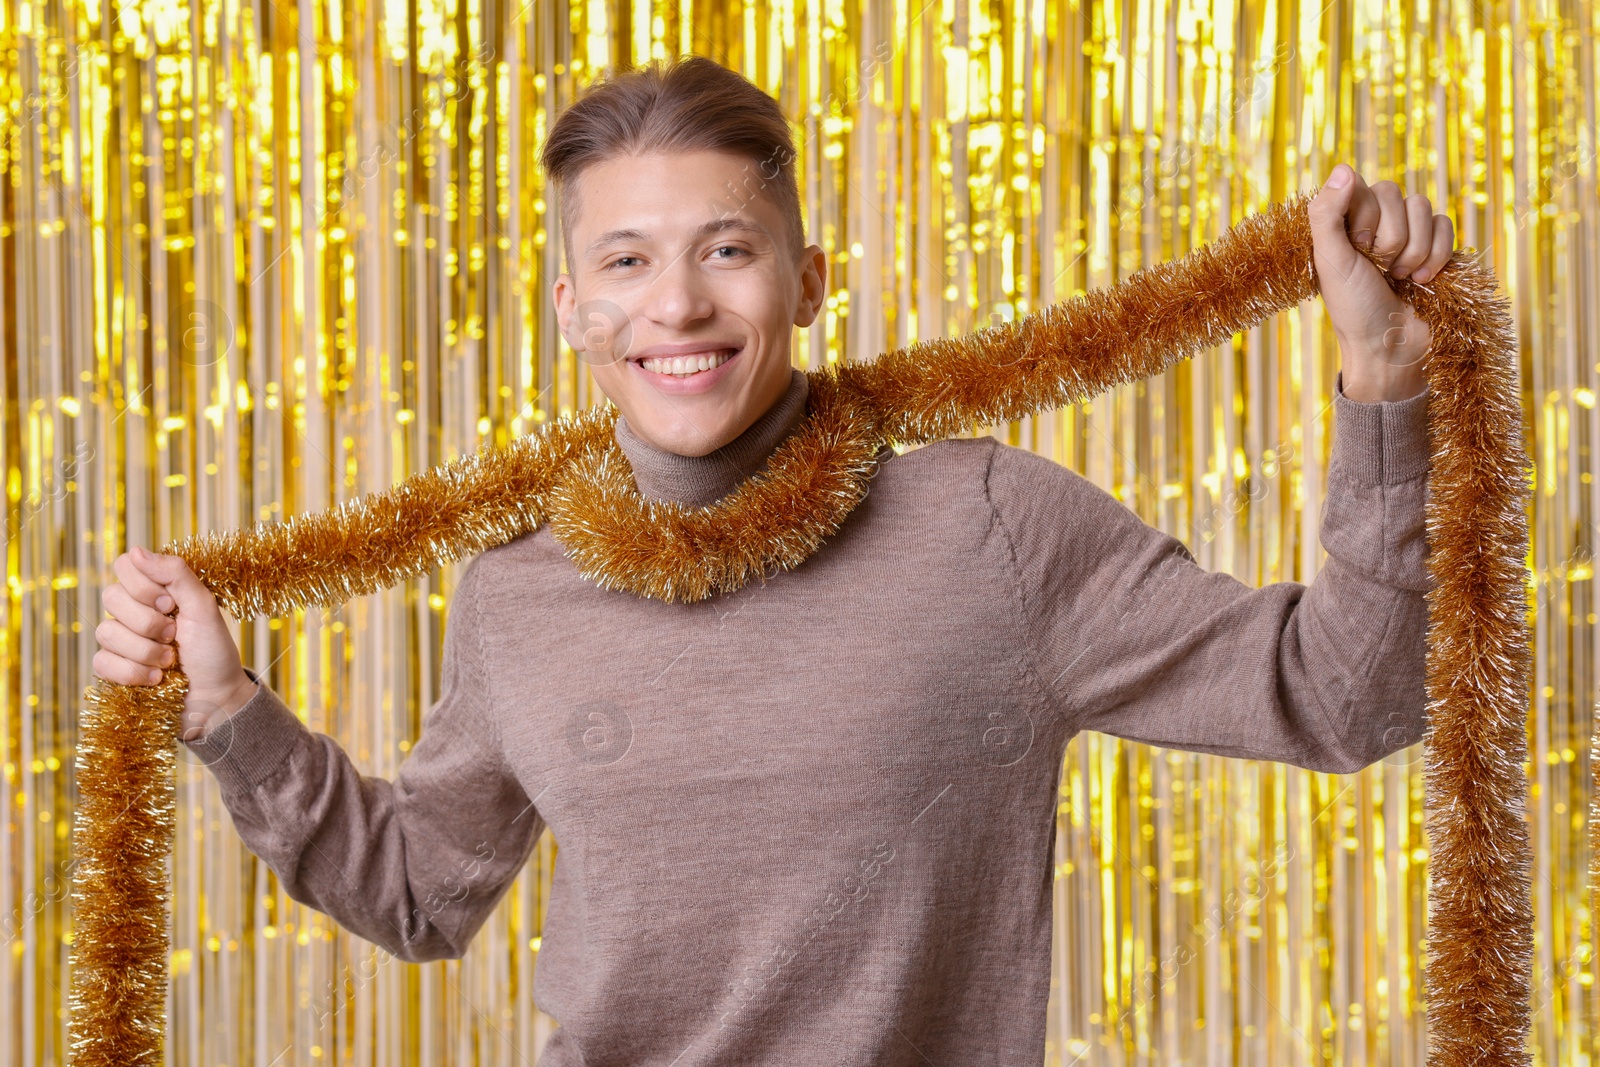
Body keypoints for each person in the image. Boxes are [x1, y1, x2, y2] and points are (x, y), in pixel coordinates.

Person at [92, 54, 1449, 1066]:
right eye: (624, 261)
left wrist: (1386, 392)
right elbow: (420, 897)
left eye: (726, 251)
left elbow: (1348, 697)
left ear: (808, 279)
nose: (676, 304)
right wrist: (225, 713)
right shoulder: (517, 590)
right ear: (573, 308)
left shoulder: (994, 530)